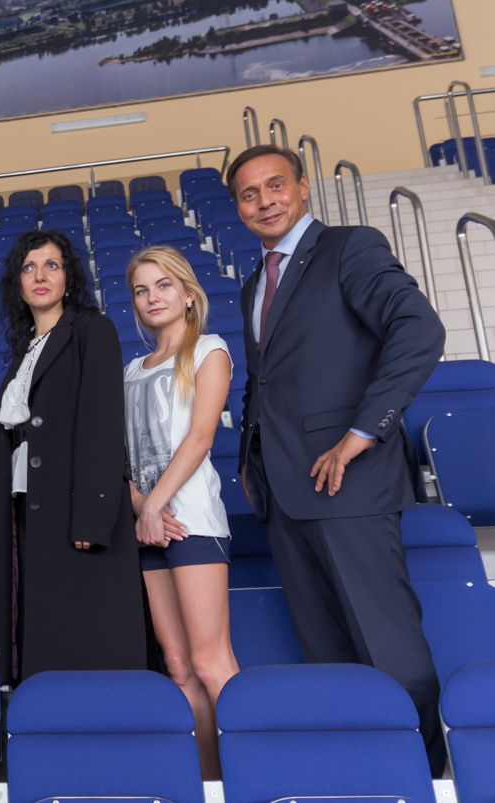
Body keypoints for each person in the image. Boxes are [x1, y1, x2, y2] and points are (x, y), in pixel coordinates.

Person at [230, 145, 447, 773]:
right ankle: (369, 775)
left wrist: (363, 432)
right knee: (329, 658)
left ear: (303, 188)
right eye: (249, 194)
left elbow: (419, 329)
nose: (265, 201)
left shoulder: (350, 247)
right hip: (285, 490)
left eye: (275, 185)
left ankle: (426, 776)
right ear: (238, 207)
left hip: (349, 481)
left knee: (388, 650)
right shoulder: (254, 283)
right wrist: (250, 457)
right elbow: (263, 380)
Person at [0, 229, 147, 685]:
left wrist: (92, 518)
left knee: (88, 632)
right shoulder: (25, 348)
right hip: (30, 507)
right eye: (29, 268)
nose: (40, 276)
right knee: (47, 631)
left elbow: (102, 423)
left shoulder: (92, 329)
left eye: (51, 266)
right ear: (18, 283)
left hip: (76, 510)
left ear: (68, 277)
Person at [123, 245, 238, 780]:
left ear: (188, 294)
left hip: (191, 522)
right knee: (177, 667)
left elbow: (200, 437)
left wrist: (156, 506)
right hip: (149, 526)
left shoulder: (209, 350)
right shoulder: (130, 370)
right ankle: (210, 782)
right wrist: (141, 507)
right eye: (141, 290)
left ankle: (247, 779)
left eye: (164, 285)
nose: (153, 297)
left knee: (211, 662)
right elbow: (121, 457)